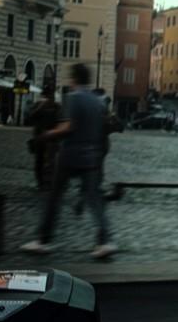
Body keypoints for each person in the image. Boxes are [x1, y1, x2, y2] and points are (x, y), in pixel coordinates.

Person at [20, 63, 117, 259]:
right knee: (93, 199)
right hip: (91, 157)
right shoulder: (97, 101)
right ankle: (105, 240)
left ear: (74, 79)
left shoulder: (73, 98)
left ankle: (43, 240)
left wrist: (46, 135)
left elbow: (68, 127)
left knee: (54, 197)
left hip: (70, 155)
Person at [25, 87, 60, 190]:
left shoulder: (57, 106)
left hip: (52, 137)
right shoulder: (38, 105)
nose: (50, 98)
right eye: (48, 95)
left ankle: (49, 182)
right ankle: (40, 183)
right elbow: (30, 118)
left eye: (52, 95)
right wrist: (39, 108)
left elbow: (60, 120)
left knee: (52, 161)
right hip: (39, 137)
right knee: (39, 160)